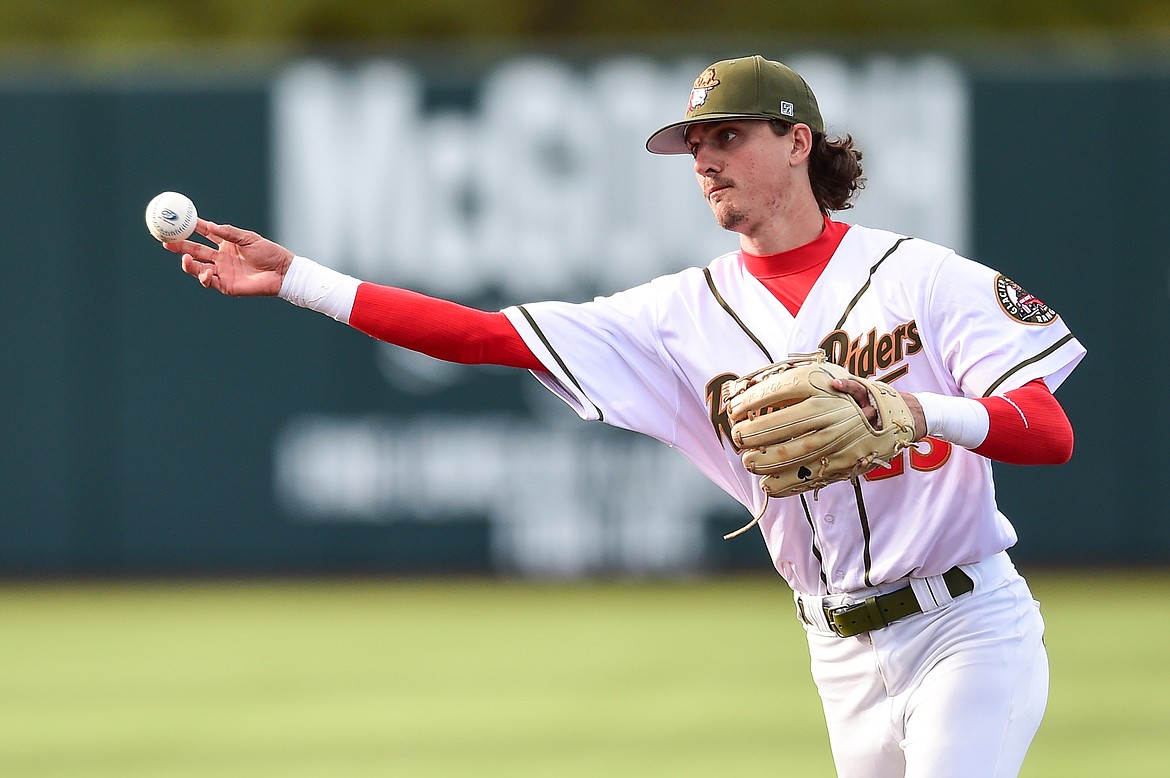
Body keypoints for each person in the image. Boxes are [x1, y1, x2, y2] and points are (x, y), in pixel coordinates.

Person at [165, 54, 1084, 778]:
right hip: (837, 647)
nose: (705, 160)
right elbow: (488, 338)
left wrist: (917, 411)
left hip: (965, 624)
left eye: (726, 136)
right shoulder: (677, 314)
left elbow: (1049, 433)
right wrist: (302, 283)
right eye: (693, 147)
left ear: (798, 142)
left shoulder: (919, 275)